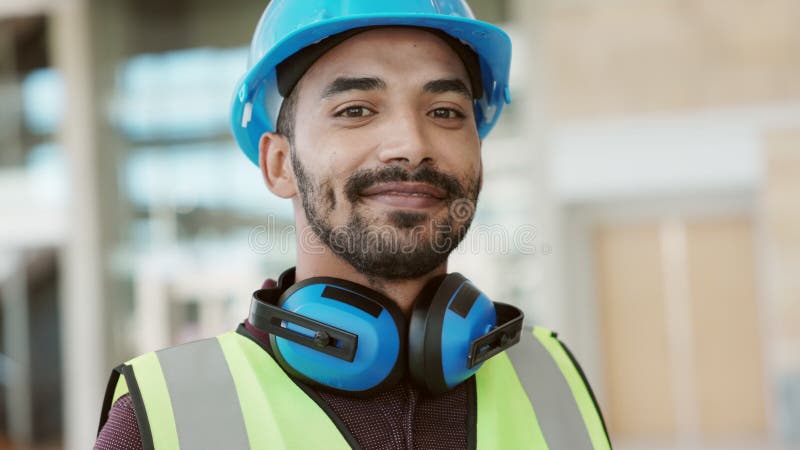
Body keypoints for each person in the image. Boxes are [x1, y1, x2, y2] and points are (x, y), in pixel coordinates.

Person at [95, 1, 611, 449]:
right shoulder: (164, 423)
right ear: (278, 165)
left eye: (446, 111)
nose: (411, 144)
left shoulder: (555, 381)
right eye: (357, 109)